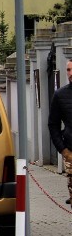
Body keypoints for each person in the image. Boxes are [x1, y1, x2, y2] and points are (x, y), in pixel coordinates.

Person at [47, 59, 72, 205]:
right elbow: (53, 124)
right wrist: (63, 150)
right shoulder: (60, 95)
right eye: (68, 70)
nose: (71, 73)